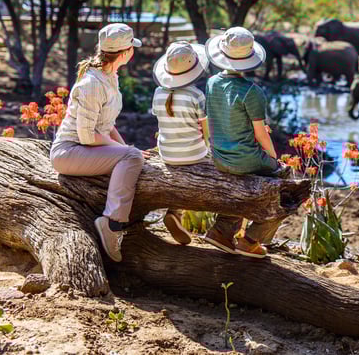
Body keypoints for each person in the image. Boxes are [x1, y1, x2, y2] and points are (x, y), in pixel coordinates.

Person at [50, 23, 145, 263]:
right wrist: (128, 153)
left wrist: (127, 148)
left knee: (133, 155)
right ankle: (112, 223)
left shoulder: (109, 76)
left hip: (85, 147)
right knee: (132, 157)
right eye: (132, 47)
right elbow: (87, 136)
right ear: (125, 53)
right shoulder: (92, 83)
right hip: (69, 152)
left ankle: (113, 221)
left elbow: (107, 124)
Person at [203, 26, 289, 258]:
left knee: (245, 183)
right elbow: (261, 135)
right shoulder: (253, 91)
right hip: (245, 160)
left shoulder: (211, 83)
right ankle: (251, 240)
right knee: (287, 187)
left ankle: (222, 230)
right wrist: (274, 159)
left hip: (220, 158)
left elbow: (221, 120)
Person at [151, 40, 211, 246]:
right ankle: (176, 213)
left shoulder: (158, 93)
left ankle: (174, 213)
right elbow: (206, 131)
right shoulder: (196, 95)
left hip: (167, 153)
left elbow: (160, 121)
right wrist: (209, 148)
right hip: (193, 154)